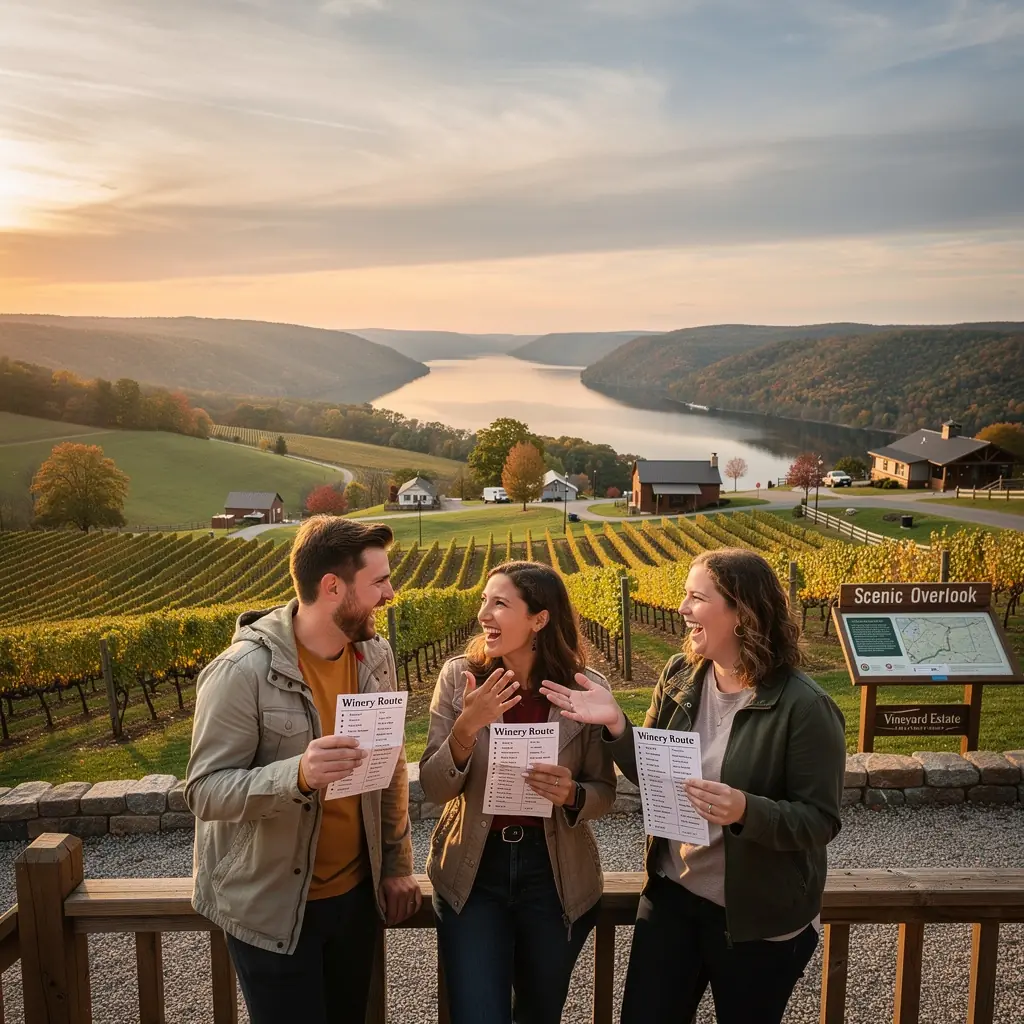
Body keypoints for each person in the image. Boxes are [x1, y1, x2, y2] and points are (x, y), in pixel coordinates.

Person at [541, 548, 847, 1024]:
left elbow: (821, 820)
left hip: (757, 921)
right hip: (672, 897)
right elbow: (652, 774)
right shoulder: (680, 676)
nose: (681, 609)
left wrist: (747, 810)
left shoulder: (805, 707)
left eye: (696, 598)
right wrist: (617, 724)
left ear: (740, 612)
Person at [186, 516, 421, 1024]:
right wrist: (297, 775)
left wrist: (398, 864)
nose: (391, 594)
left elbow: (391, 767)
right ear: (333, 587)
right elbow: (205, 791)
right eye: (379, 582)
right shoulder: (239, 672)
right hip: (274, 912)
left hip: (356, 901)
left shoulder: (375, 657)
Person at [420, 561, 617, 1024]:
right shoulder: (459, 679)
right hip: (474, 872)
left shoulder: (586, 689)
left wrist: (572, 794)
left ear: (539, 619)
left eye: (500, 603)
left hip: (553, 877)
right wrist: (467, 725)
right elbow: (433, 787)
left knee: (538, 1015)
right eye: (484, 601)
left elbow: (604, 791)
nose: (484, 614)